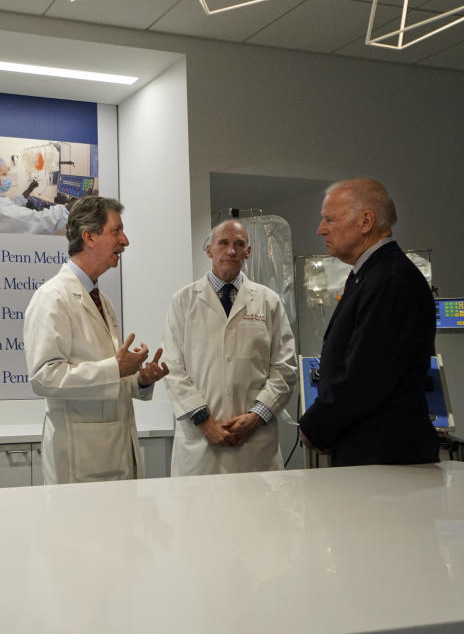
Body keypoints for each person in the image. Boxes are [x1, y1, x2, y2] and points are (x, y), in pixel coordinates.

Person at [23, 196, 169, 484]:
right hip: (80, 461)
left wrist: (138, 379)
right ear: (88, 236)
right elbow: (43, 378)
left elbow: (108, 375)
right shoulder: (53, 297)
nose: (125, 241)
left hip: (115, 453)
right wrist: (116, 368)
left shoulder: (102, 301)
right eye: (116, 231)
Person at [298, 178, 438, 466]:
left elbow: (365, 375)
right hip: (368, 449)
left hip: (385, 457)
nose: (320, 229)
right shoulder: (371, 275)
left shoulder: (390, 280)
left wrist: (315, 426)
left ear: (365, 221)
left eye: (329, 219)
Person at [162, 220, 297, 476]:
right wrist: (205, 421)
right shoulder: (183, 301)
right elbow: (173, 368)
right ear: (209, 250)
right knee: (201, 515)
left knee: (256, 514)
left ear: (249, 251)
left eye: (239, 244)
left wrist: (257, 415)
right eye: (223, 243)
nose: (231, 251)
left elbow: (285, 368)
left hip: (254, 443)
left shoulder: (268, 301)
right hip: (200, 443)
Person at [0, 155, 69, 234]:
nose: (8, 177)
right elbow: (36, 222)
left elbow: (11, 204)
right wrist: (67, 209)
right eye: (4, 174)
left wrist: (27, 191)